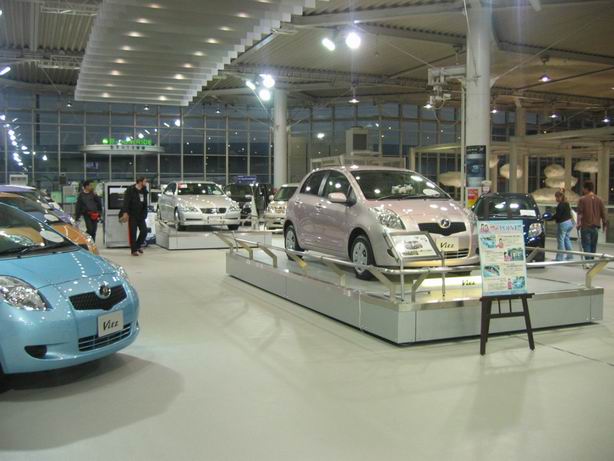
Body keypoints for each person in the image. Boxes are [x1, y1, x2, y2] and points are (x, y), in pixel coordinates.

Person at [576, 181, 608, 260]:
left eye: (583, 188)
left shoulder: (582, 199)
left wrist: (578, 223)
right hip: (595, 227)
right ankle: (591, 261)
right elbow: (603, 213)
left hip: (585, 226)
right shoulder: (599, 200)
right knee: (593, 245)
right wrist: (605, 225)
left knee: (586, 244)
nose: (583, 190)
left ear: (586, 188)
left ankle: (588, 261)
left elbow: (580, 213)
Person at [120, 177, 149, 256]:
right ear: (140, 182)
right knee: (133, 232)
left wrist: (145, 213)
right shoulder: (130, 190)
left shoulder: (144, 190)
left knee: (144, 231)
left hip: (141, 215)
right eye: (145, 181)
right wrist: (125, 212)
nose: (146, 183)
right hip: (132, 214)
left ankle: (138, 246)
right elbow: (126, 202)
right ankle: (134, 250)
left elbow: (145, 203)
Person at [549, 189, 574, 261]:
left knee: (561, 240)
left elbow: (558, 216)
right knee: (567, 239)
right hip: (569, 223)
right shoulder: (567, 203)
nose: (556, 199)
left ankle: (559, 258)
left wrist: (550, 218)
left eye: (556, 197)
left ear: (560, 197)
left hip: (563, 224)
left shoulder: (560, 205)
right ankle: (570, 256)